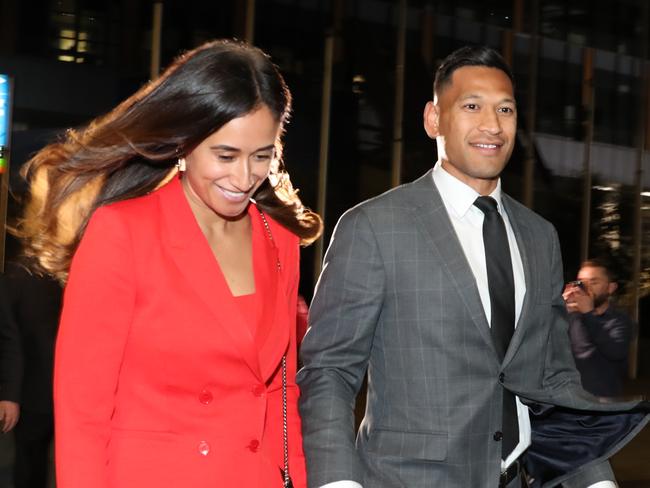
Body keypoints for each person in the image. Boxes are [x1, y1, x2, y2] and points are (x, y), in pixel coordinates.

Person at [297, 45, 648, 488]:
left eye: (505, 108)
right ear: (433, 119)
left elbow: (553, 379)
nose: (492, 125)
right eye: (471, 106)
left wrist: (596, 479)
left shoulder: (540, 236)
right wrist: (336, 482)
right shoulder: (374, 226)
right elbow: (330, 369)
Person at [15, 39, 321, 488]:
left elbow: (279, 393)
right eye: (225, 155)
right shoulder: (122, 232)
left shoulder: (282, 241)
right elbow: (84, 411)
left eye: (262, 156)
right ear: (183, 144)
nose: (243, 178)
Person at [0, 262, 62, 488]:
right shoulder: (19, 275)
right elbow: (10, 338)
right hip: (34, 390)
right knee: (30, 465)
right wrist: (10, 394)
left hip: (73, 390)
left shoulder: (85, 268)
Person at [563, 259, 633, 397]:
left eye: (593, 282)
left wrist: (588, 314)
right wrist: (557, 310)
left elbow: (616, 352)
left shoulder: (620, 320)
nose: (586, 288)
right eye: (581, 282)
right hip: (566, 404)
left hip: (602, 407)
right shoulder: (569, 316)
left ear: (610, 288)